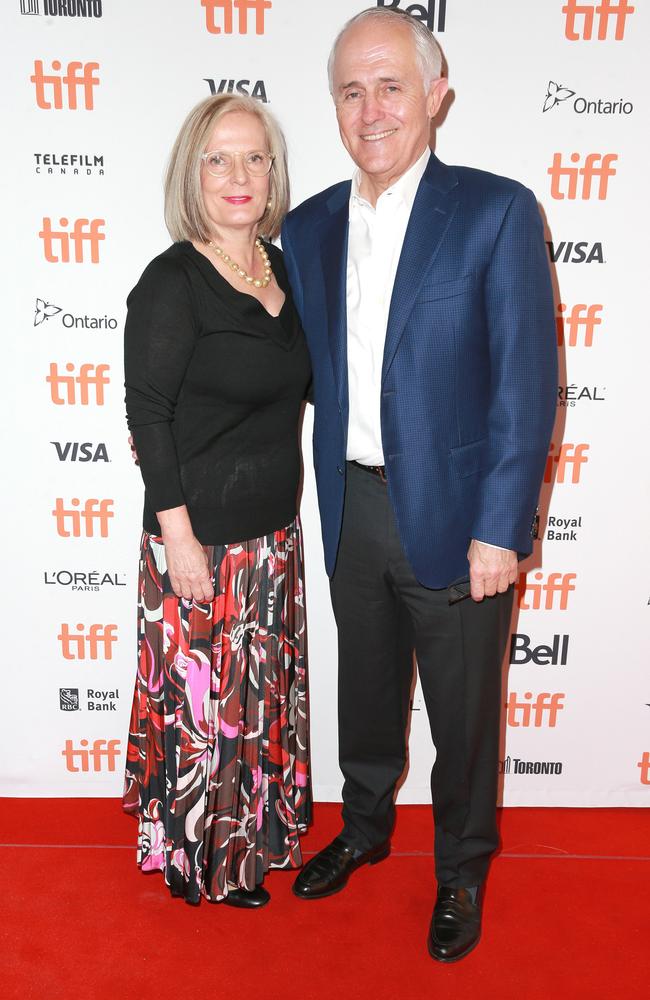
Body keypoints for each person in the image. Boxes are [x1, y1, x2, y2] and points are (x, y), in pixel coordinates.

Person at [281, 8, 557, 961]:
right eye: (351, 91)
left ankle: (462, 867)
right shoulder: (306, 225)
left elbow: (526, 384)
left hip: (457, 517)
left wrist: (502, 526)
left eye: (391, 85)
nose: (372, 109)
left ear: (436, 96)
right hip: (354, 505)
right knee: (365, 690)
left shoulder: (497, 211)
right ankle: (362, 827)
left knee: (465, 711)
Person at [122, 94, 312, 909]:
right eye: (219, 159)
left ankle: (255, 839)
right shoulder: (171, 282)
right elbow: (148, 415)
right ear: (191, 175)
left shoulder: (283, 267)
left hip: (272, 539)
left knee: (257, 698)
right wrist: (181, 538)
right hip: (200, 542)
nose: (240, 175)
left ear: (274, 176)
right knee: (207, 709)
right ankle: (197, 854)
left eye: (256, 158)